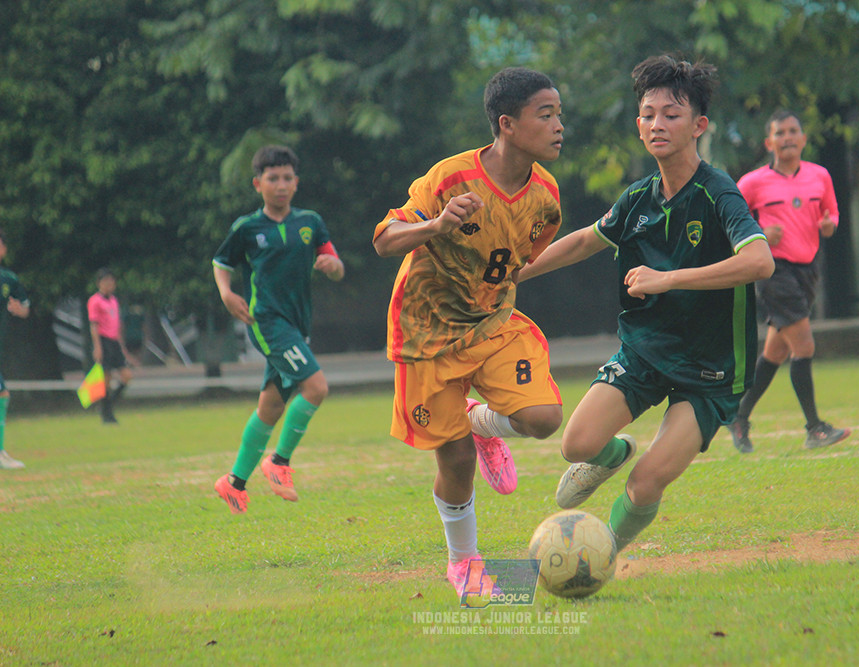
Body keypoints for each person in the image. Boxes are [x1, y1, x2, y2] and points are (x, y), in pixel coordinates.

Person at [518, 54, 773, 553]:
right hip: (646, 350)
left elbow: (760, 262)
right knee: (576, 444)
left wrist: (668, 279)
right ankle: (613, 456)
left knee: (645, 482)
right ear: (638, 126)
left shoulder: (719, 193)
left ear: (698, 125)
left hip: (710, 369)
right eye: (649, 114)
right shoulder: (638, 198)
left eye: (671, 115)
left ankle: (603, 553)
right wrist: (515, 274)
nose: (658, 124)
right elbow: (585, 241)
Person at [372, 67, 565, 596]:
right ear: (507, 124)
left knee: (544, 418)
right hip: (425, 334)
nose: (558, 126)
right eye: (545, 115)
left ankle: (482, 423)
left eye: (559, 114)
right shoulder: (450, 178)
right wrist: (436, 226)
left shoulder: (546, 196)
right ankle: (463, 565)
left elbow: (521, 261)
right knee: (456, 462)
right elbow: (385, 239)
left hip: (492, 324)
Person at [212, 145, 345, 514]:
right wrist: (226, 293)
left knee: (270, 407)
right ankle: (279, 462)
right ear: (258, 184)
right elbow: (221, 262)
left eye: (287, 178)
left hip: (297, 324)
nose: (281, 185)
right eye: (273, 178)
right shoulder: (247, 228)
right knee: (316, 387)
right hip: (267, 321)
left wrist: (332, 266)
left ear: (296, 182)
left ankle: (234, 482)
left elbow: (335, 262)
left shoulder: (310, 222)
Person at [727, 109, 850, 453]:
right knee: (804, 346)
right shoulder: (752, 183)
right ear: (769, 143)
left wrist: (830, 224)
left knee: (776, 351)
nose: (787, 138)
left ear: (803, 138)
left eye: (793, 131)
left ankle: (738, 417)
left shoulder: (820, 175)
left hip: (808, 269)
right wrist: (760, 232)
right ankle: (815, 428)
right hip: (773, 271)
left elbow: (832, 213)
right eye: (779, 133)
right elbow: (729, 221)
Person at [87, 268, 139, 424]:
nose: (109, 284)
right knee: (106, 379)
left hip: (114, 341)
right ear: (99, 283)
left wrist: (123, 348)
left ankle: (106, 407)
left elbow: (117, 326)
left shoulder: (114, 301)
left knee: (127, 376)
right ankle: (106, 415)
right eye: (106, 281)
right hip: (104, 341)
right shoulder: (95, 301)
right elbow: (94, 325)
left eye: (111, 281)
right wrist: (97, 347)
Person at [0, 229, 30, 470]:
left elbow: (25, 307)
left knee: (2, 394)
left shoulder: (8, 279)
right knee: (2, 394)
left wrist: (20, 310)